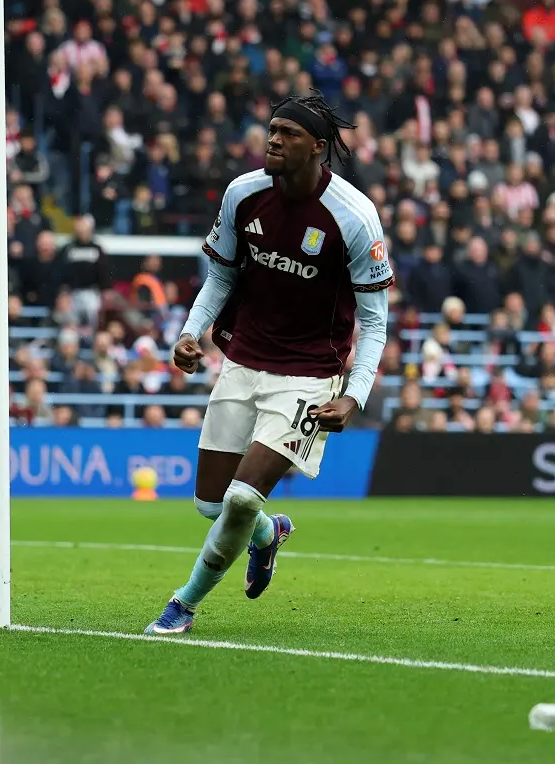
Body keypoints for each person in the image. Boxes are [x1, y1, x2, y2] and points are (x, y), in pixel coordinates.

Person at [147, 92, 393, 635]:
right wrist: (189, 333)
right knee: (211, 505)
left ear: (318, 148)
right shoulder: (243, 193)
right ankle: (267, 533)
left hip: (310, 375)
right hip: (243, 361)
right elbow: (221, 276)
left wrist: (355, 395)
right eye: (272, 129)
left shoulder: (355, 217)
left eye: (288, 133)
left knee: (240, 498)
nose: (274, 140)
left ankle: (182, 606)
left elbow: (375, 323)